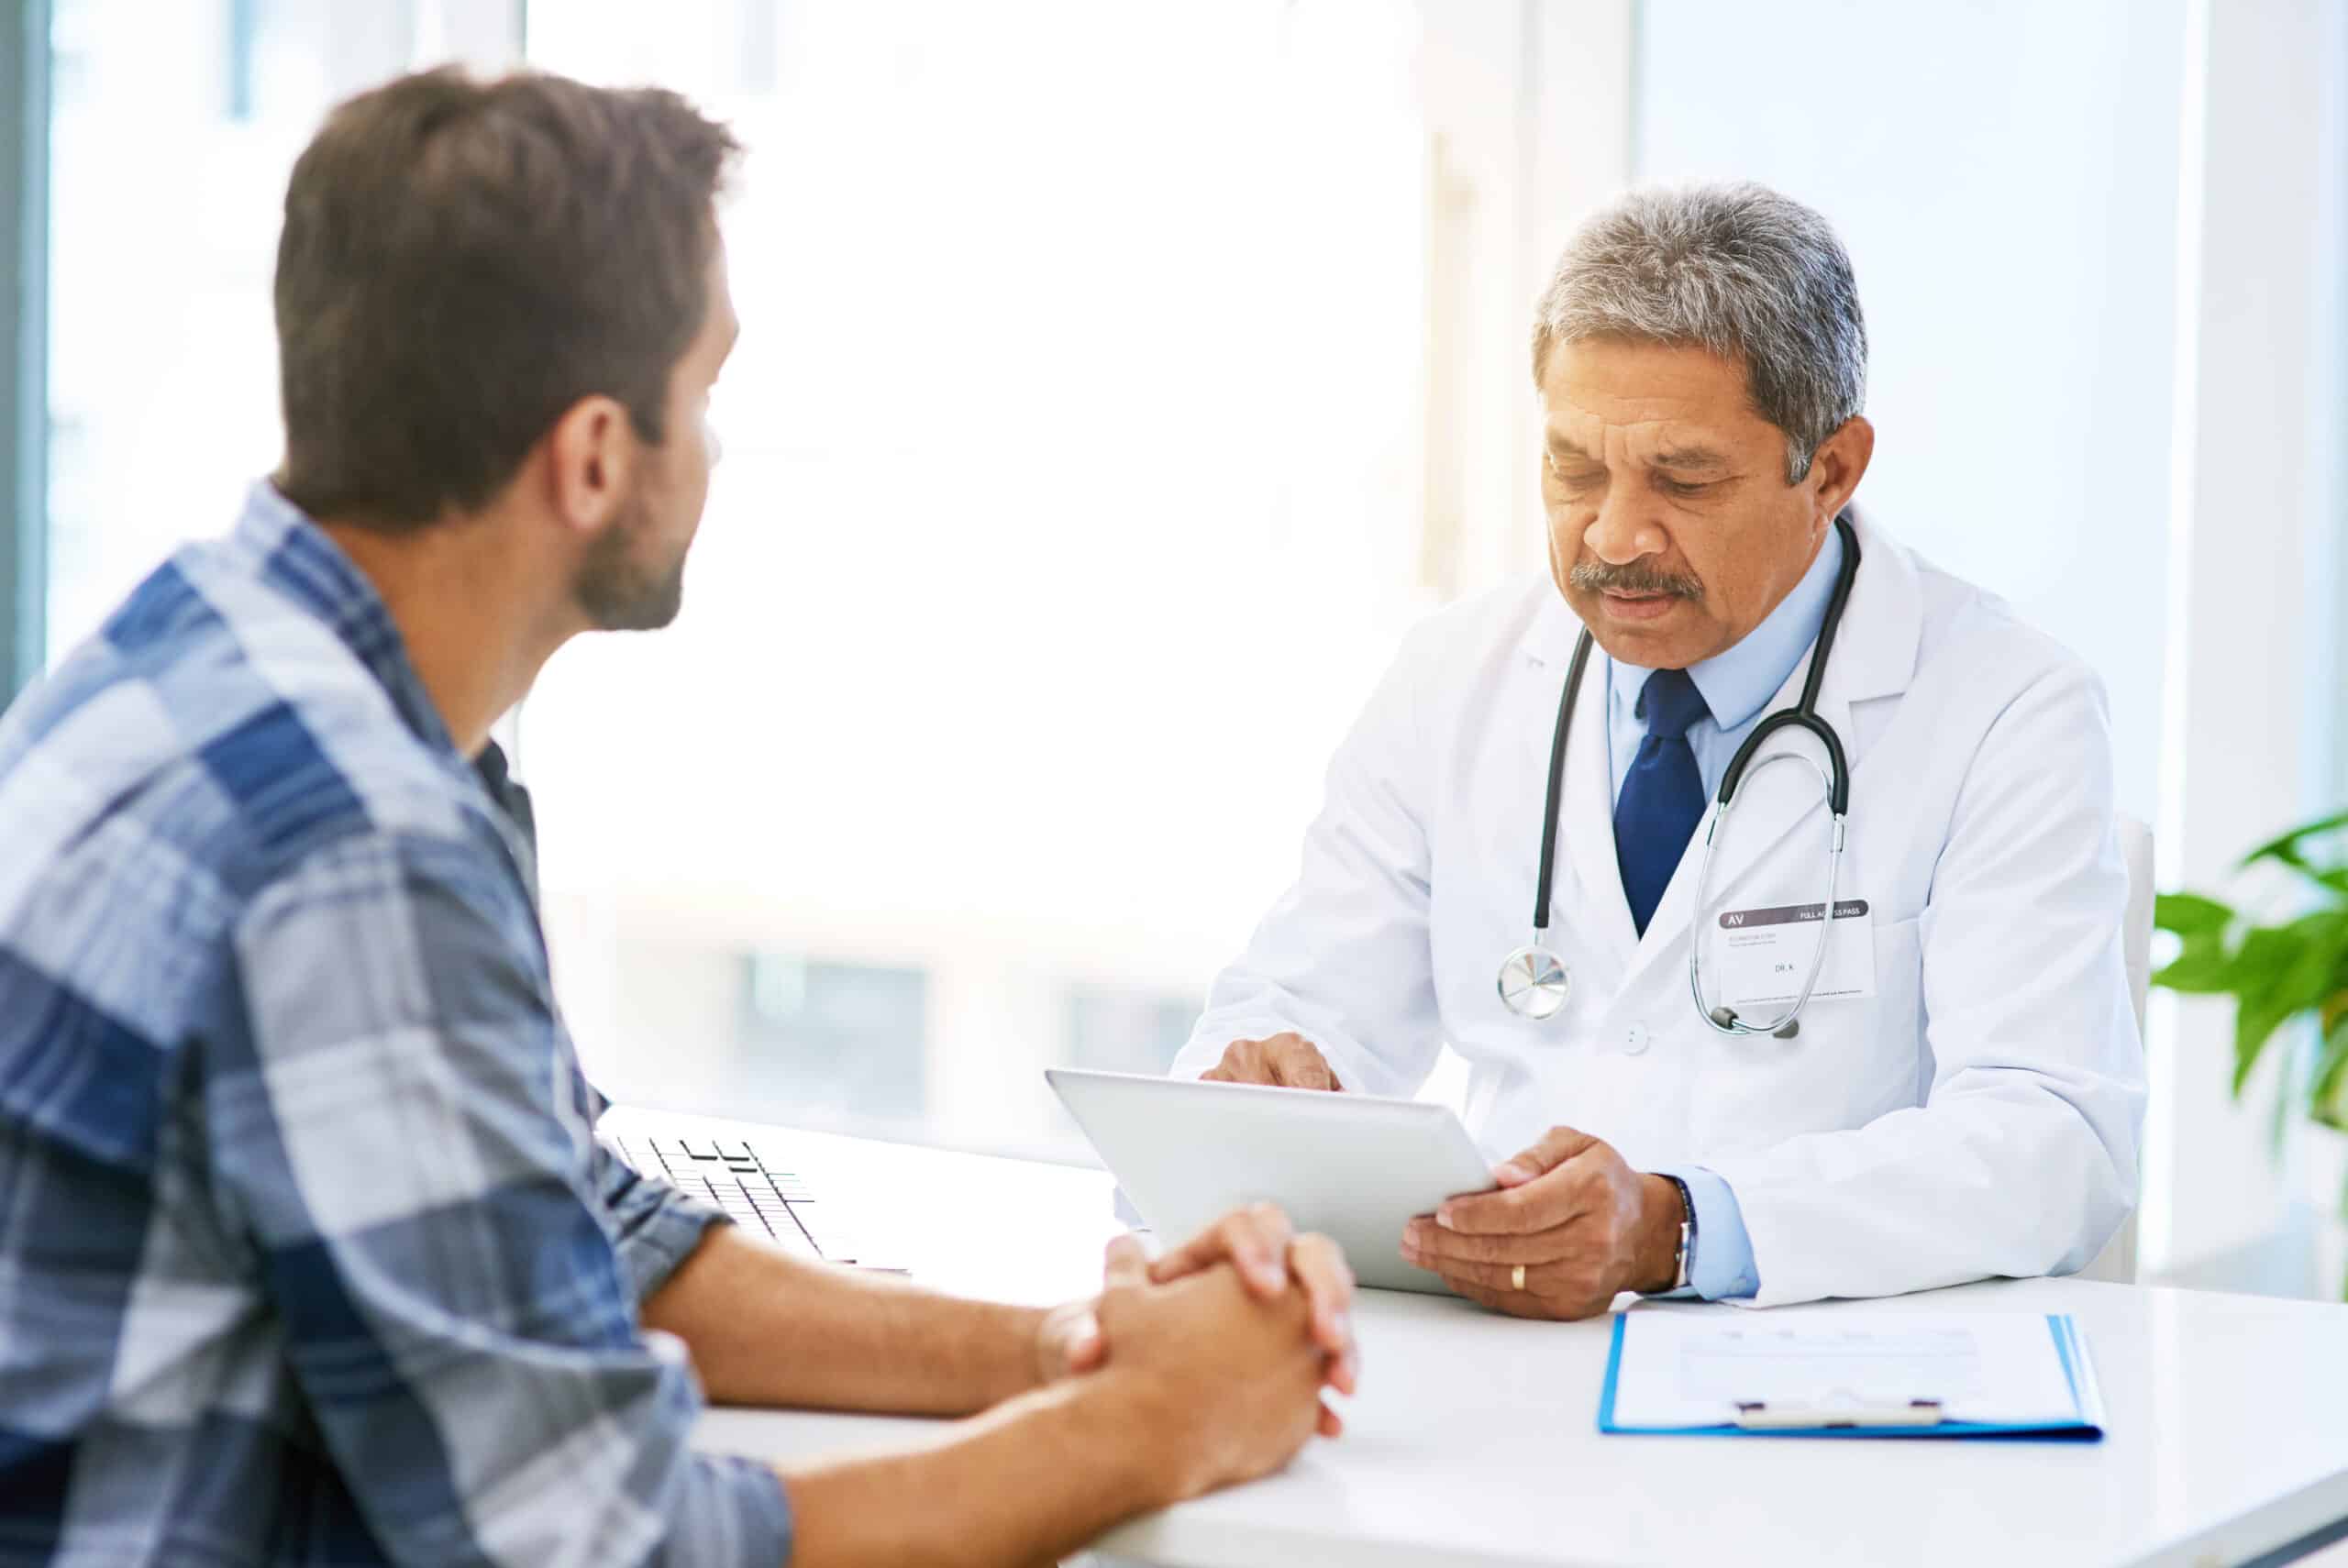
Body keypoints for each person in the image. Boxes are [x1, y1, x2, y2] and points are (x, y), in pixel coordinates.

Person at [0, 68, 1359, 1566]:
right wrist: (1157, 1427)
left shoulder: (202, 659)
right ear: (594, 458)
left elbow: (567, 1227)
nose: (713, 446)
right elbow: (602, 1548)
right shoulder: (352, 851)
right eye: (703, 394)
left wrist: (1069, 1345)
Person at [1174, 182, 2146, 1318]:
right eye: (1573, 471)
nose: (1613, 535)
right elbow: (1302, 1003)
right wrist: (1276, 1081)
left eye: (1683, 480)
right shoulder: (1456, 675)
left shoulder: (2005, 707)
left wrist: (1679, 1228)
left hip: (1826, 1390)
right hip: (1500, 1359)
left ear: (1829, 471)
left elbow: (2053, 1141)